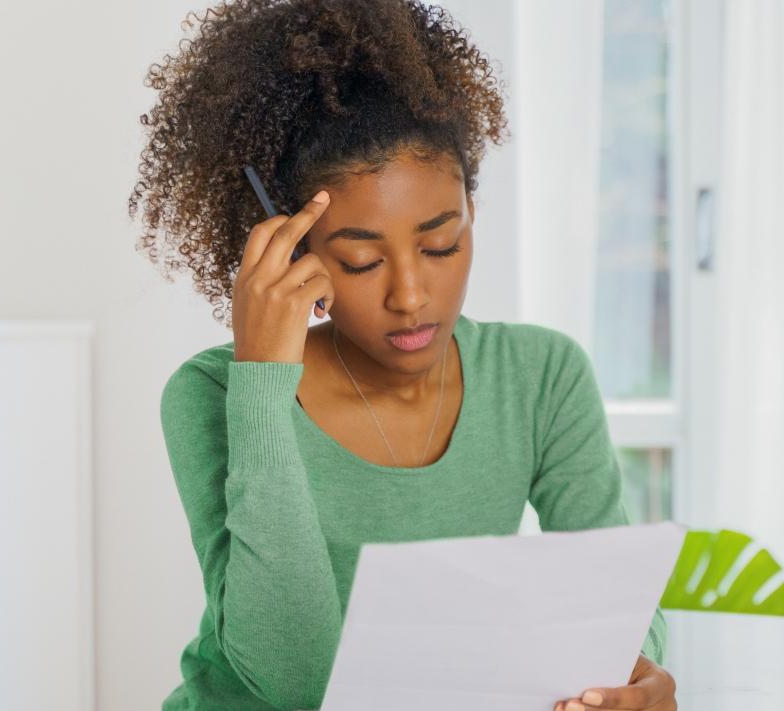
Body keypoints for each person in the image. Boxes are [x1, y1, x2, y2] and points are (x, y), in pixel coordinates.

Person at [129, 1, 678, 709]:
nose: (413, 296)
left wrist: (630, 678)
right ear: (297, 252)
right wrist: (263, 381)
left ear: (472, 212)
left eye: (441, 244)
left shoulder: (541, 378)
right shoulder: (210, 392)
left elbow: (618, 604)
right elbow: (295, 679)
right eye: (361, 259)